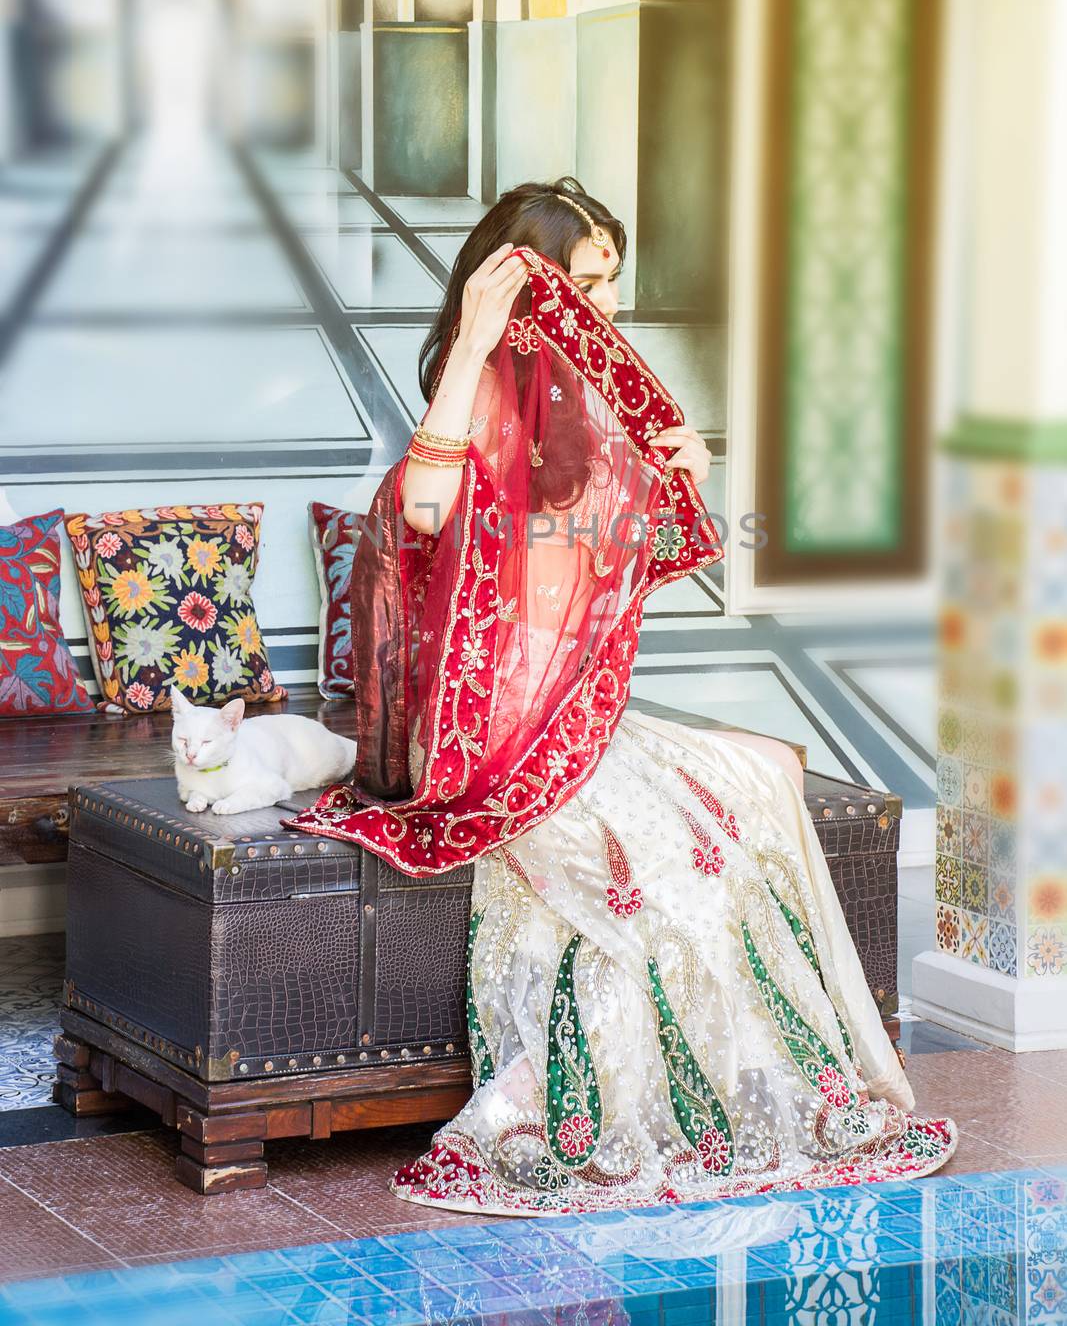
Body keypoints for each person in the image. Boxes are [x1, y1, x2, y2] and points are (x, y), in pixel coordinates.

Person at [286, 178, 957, 1215]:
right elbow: (422, 510)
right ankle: (615, 1114)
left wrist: (675, 469)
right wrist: (471, 337)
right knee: (667, 893)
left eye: (608, 289)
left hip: (558, 717)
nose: (600, 314)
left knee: (766, 777)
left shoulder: (578, 408)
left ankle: (768, 1090)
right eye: (582, 287)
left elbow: (611, 561)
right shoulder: (484, 375)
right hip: (482, 735)